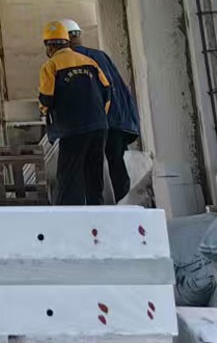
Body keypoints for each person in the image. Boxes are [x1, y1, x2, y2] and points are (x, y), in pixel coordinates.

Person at [62, 18, 141, 203]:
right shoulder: (100, 56)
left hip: (97, 122)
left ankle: (96, 209)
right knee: (117, 164)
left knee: (91, 167)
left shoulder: (70, 61)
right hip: (117, 120)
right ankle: (125, 204)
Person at [38, 20, 111, 205]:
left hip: (72, 129)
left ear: (49, 46)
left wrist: (46, 112)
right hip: (99, 126)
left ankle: (70, 216)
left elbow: (46, 98)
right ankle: (97, 213)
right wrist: (99, 116)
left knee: (69, 178)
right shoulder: (89, 62)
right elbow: (107, 91)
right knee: (94, 177)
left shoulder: (50, 66)